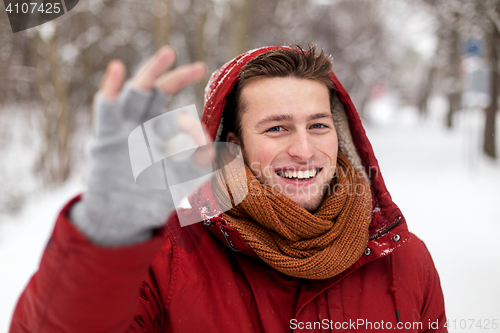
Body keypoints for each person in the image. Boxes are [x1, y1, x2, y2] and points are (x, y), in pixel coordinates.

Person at [10, 44, 447, 332]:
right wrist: (104, 240)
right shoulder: (170, 258)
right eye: (277, 128)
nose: (304, 149)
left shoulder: (403, 261)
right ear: (233, 145)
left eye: (318, 125)